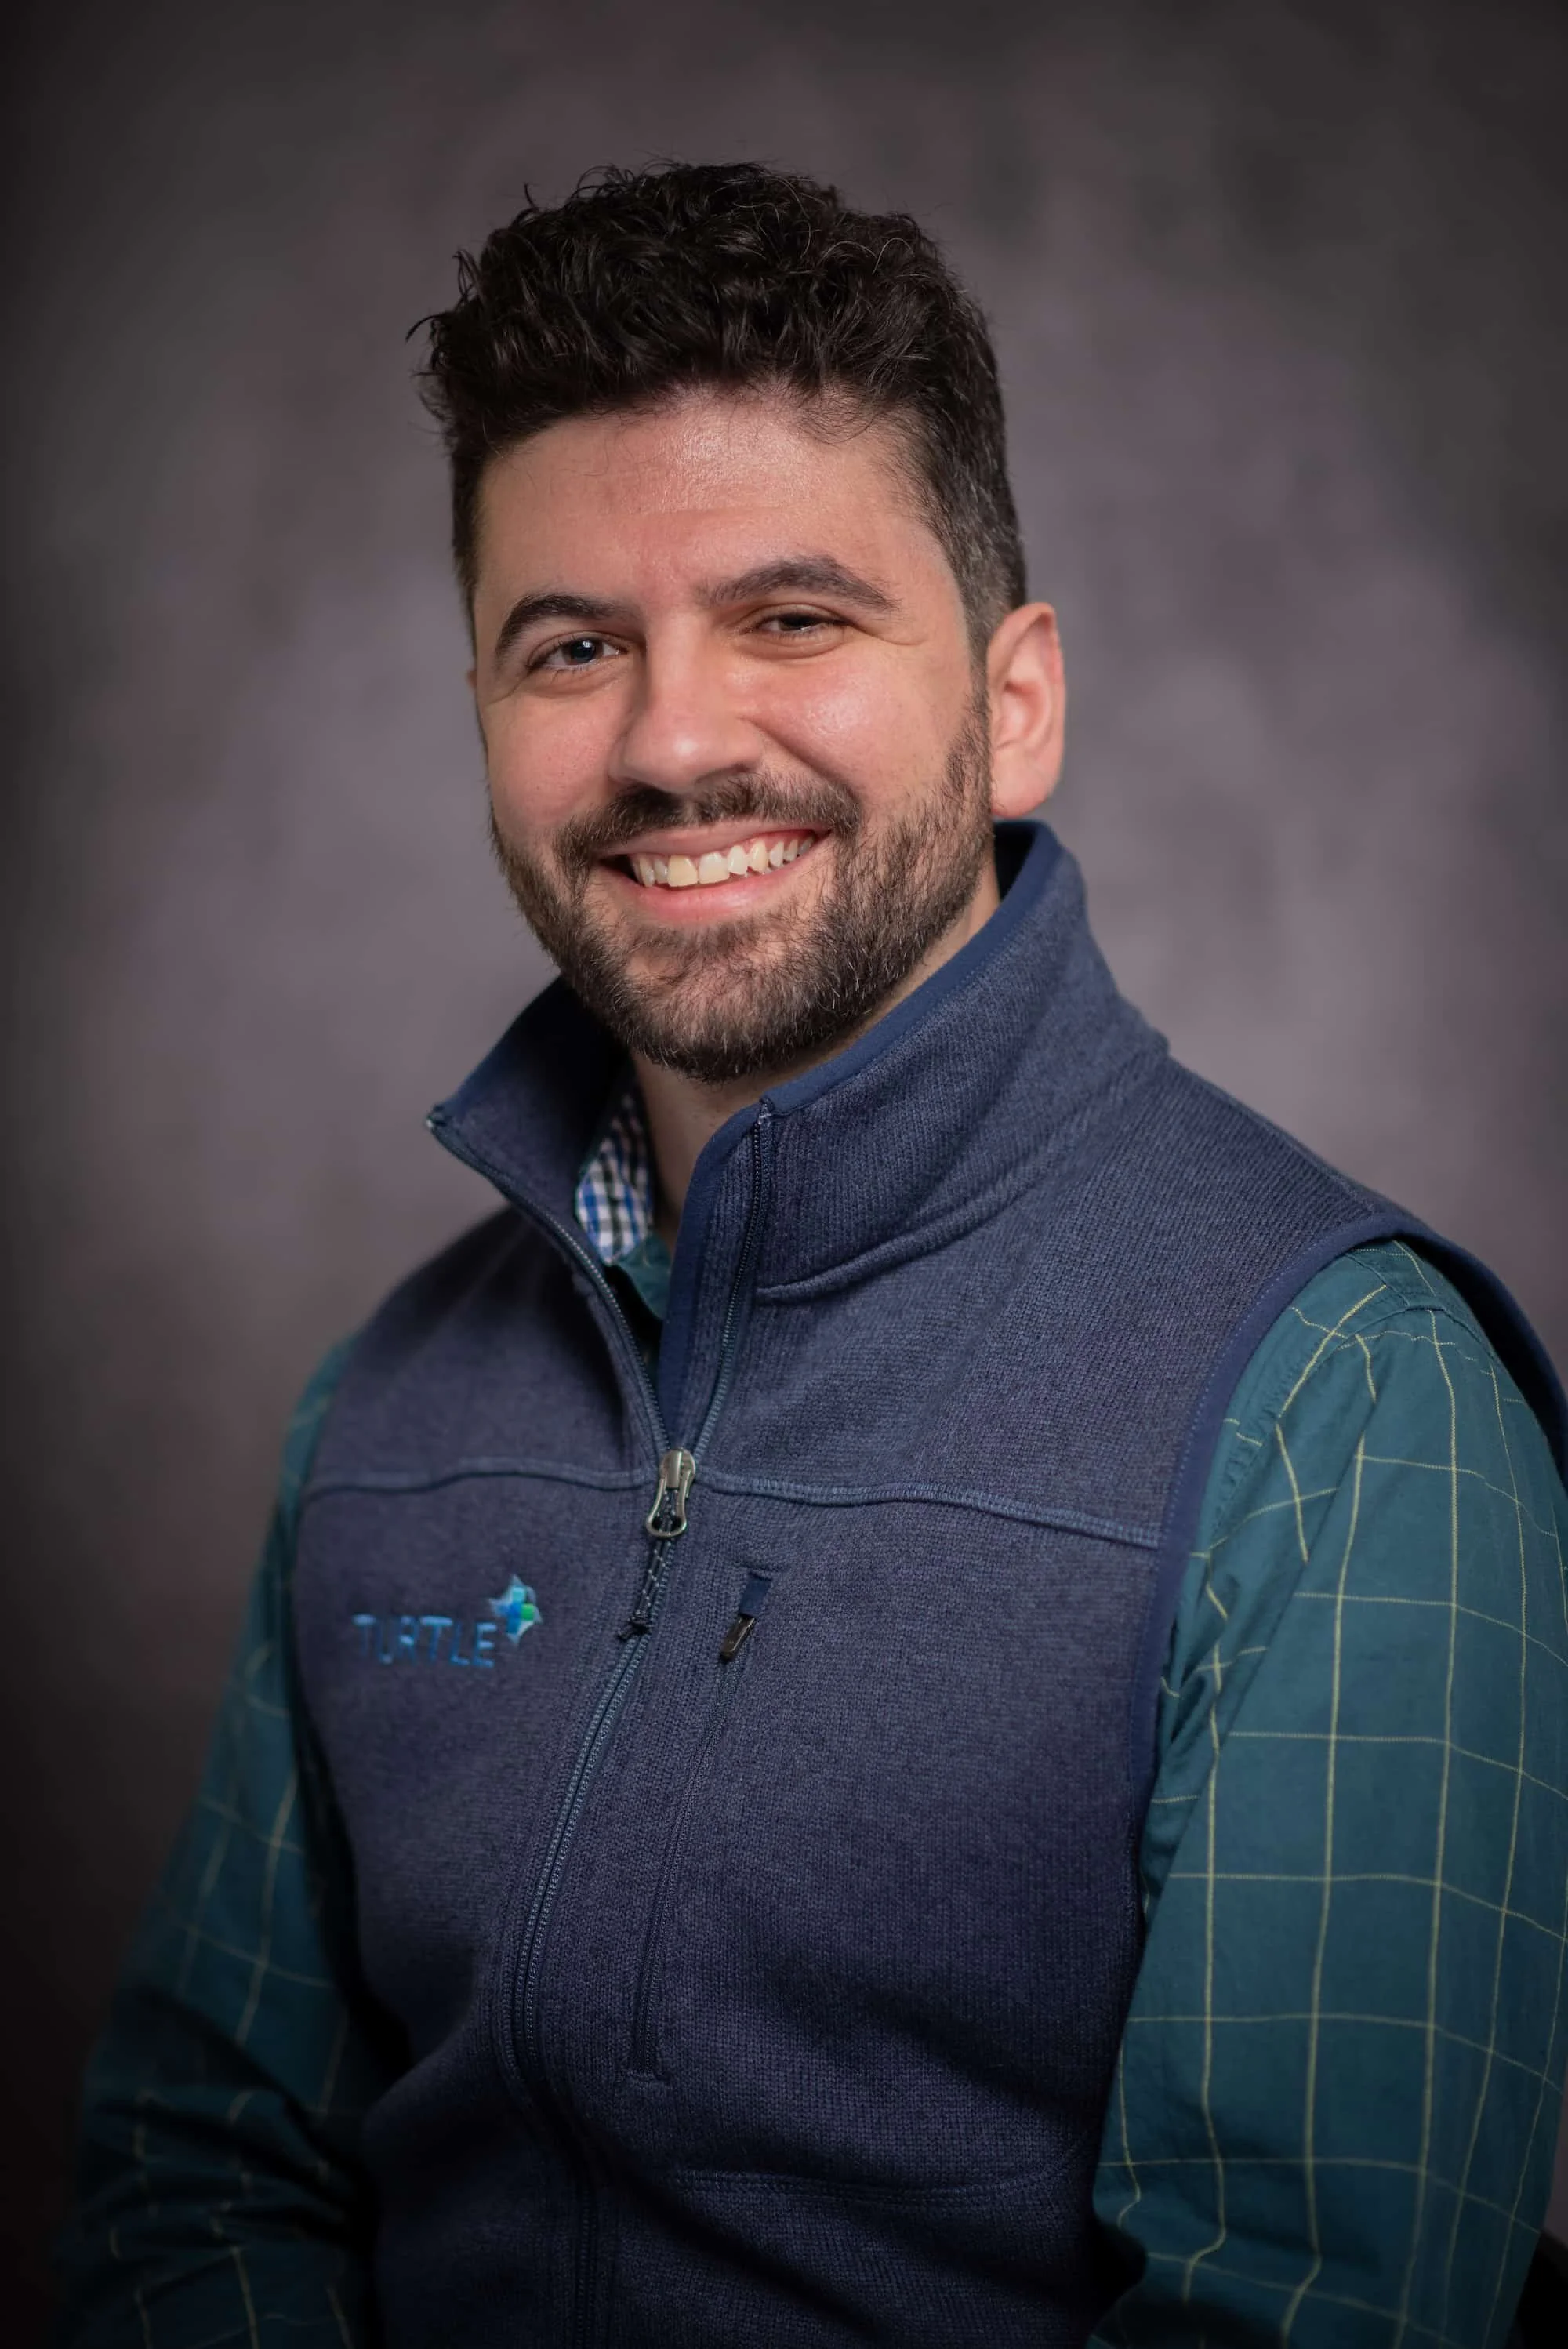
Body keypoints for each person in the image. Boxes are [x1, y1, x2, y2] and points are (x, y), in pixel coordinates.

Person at [56, 161, 1568, 2349]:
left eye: (794, 616)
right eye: (574, 645)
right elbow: (195, 2183)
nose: (674, 741)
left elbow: (1297, 2316)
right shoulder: (386, 1410)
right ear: (483, 712)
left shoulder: (1349, 1416)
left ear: (1015, 696)